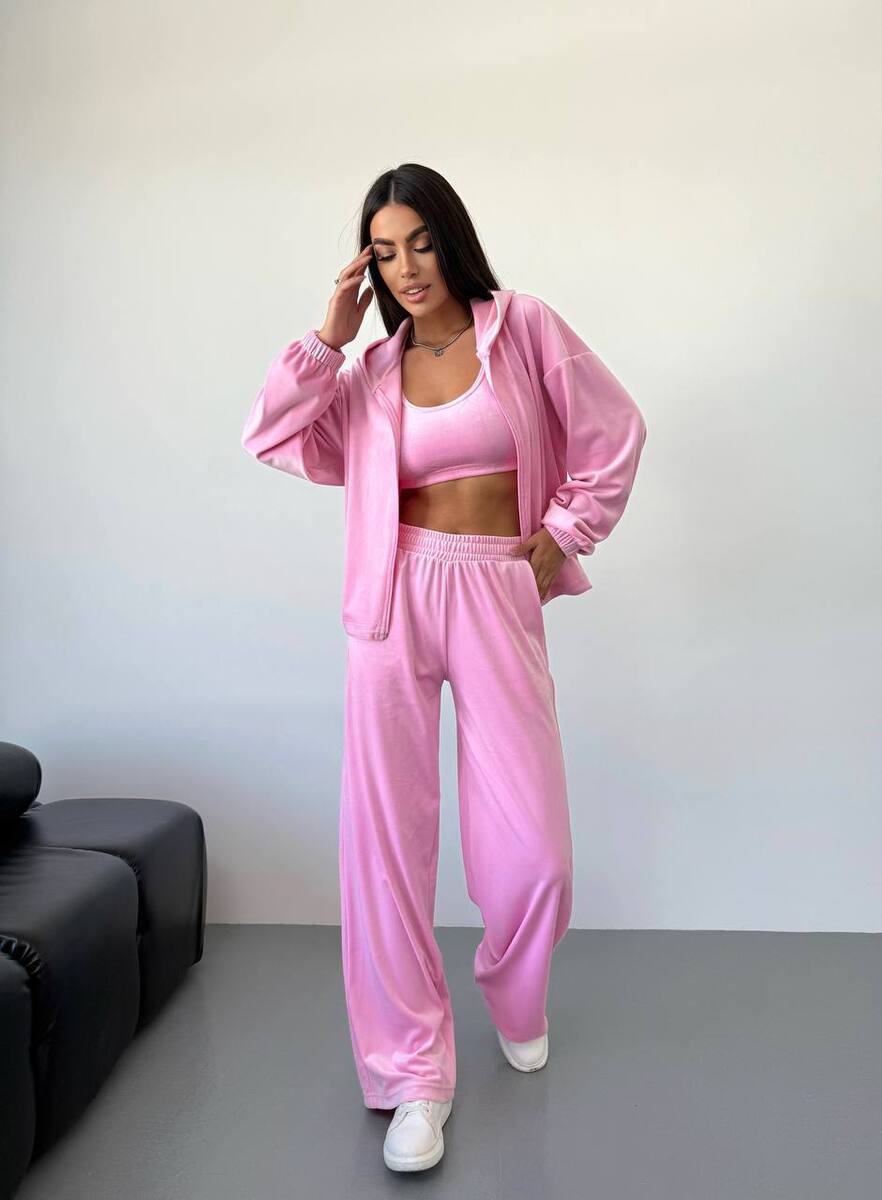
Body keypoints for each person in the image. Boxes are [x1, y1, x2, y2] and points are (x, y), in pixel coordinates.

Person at [241, 162, 648, 1172]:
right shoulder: (370, 374)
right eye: (385, 252)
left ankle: (513, 986)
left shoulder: (525, 328)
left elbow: (615, 432)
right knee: (388, 843)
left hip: (496, 587)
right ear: (369, 266)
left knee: (535, 849)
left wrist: (564, 533)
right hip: (392, 599)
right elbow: (273, 434)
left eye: (420, 242)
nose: (406, 267)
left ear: (450, 238)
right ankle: (412, 1076)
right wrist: (330, 337)